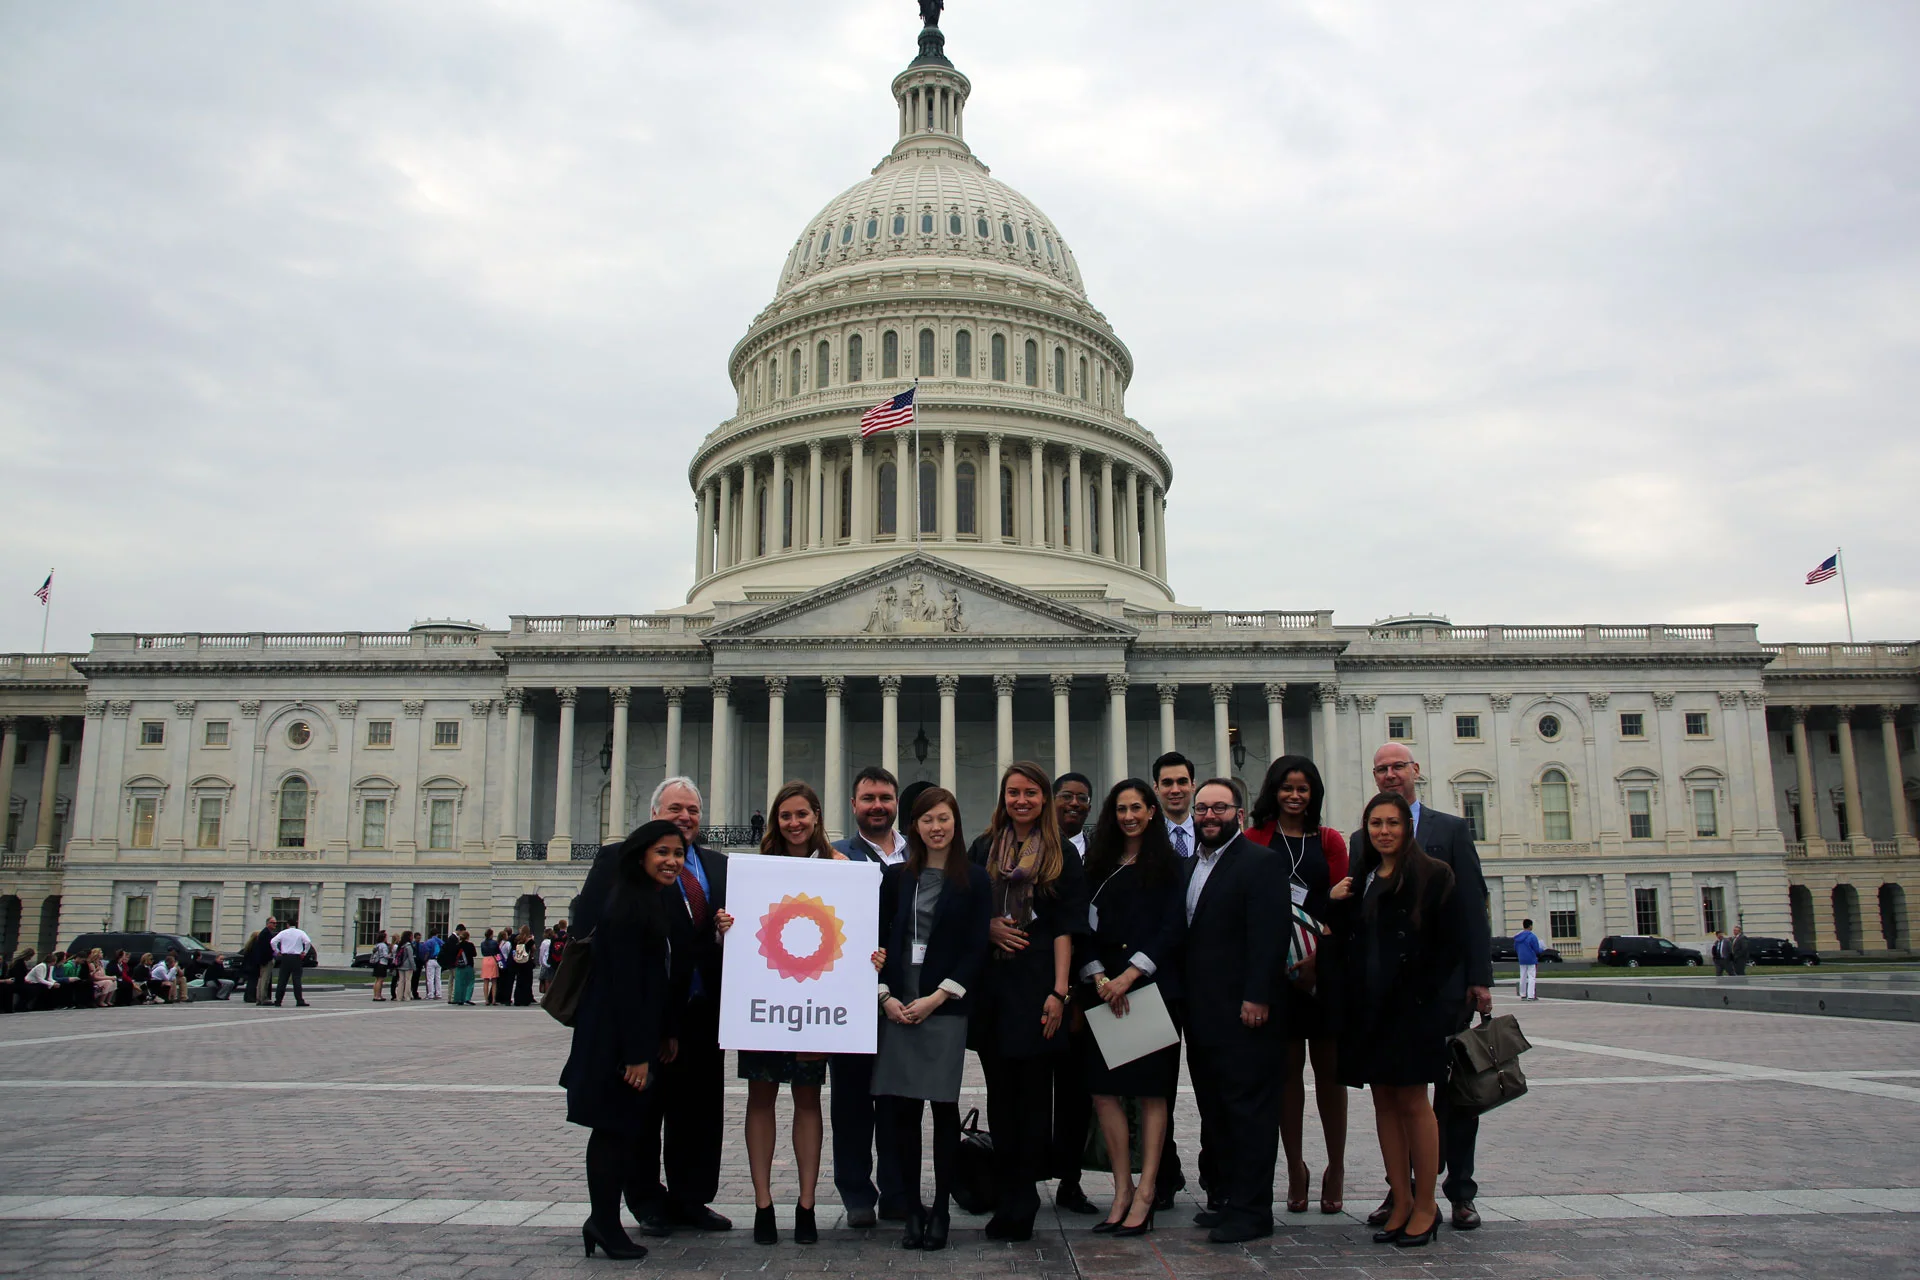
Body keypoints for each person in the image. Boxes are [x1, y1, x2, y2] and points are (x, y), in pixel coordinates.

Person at [1329, 790, 1477, 1250]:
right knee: (1383, 1104)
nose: (1384, 831)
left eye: (1392, 823)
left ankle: (1427, 1205)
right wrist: (1334, 902)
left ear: (1406, 828)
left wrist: (1420, 997)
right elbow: (1347, 940)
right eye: (1376, 824)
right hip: (1368, 1010)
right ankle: (1401, 1200)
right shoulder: (1362, 878)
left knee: (1415, 1104)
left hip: (1412, 1011)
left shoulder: (1434, 875)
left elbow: (1452, 945)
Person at [1362, 743, 1494, 1232]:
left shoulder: (1450, 830)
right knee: (1398, 1097)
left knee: (1453, 1095)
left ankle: (1459, 1191)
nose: (1391, 774)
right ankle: (1406, 1193)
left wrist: (1479, 978)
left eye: (1399, 766)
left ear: (1416, 771)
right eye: (1382, 769)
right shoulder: (1364, 838)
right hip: (1386, 997)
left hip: (1440, 989)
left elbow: (1471, 911)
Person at [967, 760, 1088, 1242]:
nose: (1022, 800)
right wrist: (988, 927)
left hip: (1039, 985)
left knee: (1036, 1099)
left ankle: (1025, 1196)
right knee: (1001, 1096)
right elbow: (968, 907)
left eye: (1031, 793)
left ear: (1044, 800)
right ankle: (1009, 1190)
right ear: (1004, 797)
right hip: (995, 987)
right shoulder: (983, 848)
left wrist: (1060, 992)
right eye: (1014, 792)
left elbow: (1066, 927)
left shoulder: (1062, 856)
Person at [873, 785, 991, 1251]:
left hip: (942, 1010)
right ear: (914, 827)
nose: (936, 827)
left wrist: (937, 998)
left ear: (955, 823)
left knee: (942, 1110)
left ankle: (941, 1207)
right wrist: (885, 997)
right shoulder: (897, 877)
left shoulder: (975, 880)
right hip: (898, 1006)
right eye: (927, 820)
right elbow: (879, 939)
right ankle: (912, 1211)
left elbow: (974, 950)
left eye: (943, 819)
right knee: (901, 1113)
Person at [560, 818, 682, 1262]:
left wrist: (665, 1032)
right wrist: (636, 1055)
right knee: (612, 1132)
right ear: (641, 856)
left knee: (620, 1130)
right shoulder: (628, 905)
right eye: (662, 853)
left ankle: (604, 1222)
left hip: (625, 1035)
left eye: (678, 854)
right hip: (613, 1039)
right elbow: (626, 984)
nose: (672, 862)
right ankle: (604, 1223)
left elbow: (657, 976)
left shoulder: (649, 899)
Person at [731, 780, 846, 1245]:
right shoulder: (755, 874)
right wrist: (728, 926)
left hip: (812, 1005)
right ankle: (762, 1205)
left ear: (817, 816)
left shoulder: (840, 869)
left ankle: (806, 1205)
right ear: (775, 821)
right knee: (759, 1097)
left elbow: (851, 933)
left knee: (807, 1100)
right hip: (766, 1002)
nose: (794, 823)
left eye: (802, 814)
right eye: (786, 816)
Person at [623, 776, 733, 1238]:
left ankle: (692, 1198)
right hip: (653, 1012)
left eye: (691, 809)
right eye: (674, 809)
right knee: (646, 1111)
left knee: (700, 1111)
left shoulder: (719, 866)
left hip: (706, 1010)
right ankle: (647, 1201)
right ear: (654, 814)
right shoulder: (627, 866)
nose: (684, 817)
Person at [1079, 778, 1185, 1235]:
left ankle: (1147, 1191)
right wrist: (1100, 975)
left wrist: (1130, 975)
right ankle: (1121, 1190)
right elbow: (1078, 923)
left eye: (1137, 808)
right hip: (1102, 990)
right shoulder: (1095, 864)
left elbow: (1172, 927)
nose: (1128, 816)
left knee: (1151, 1092)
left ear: (1152, 812)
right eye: (1121, 808)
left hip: (1150, 990)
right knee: (1104, 1093)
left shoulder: (1172, 866)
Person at [1245, 753, 1350, 1216]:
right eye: (1287, 787)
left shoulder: (1328, 840)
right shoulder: (1255, 839)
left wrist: (1316, 958)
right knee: (1287, 1076)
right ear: (1274, 791)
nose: (1294, 795)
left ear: (1313, 794)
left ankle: (1336, 1166)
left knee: (1330, 1076)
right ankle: (1295, 1167)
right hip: (1278, 975)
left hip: (1323, 975)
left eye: (1303, 788)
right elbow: (1251, 905)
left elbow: (1347, 902)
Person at [1182, 778, 1285, 1243]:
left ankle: (1252, 1211)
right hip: (1203, 1014)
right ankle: (1228, 1201)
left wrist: (1258, 995)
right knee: (1218, 1112)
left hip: (1245, 1011)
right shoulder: (1190, 866)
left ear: (1238, 815)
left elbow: (1269, 935)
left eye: (1219, 808)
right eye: (1202, 809)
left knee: (1249, 1113)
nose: (1209, 816)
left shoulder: (1260, 863)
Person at [829, 765, 911, 1227]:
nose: (877, 805)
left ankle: (899, 1191)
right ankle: (857, 1191)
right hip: (852, 996)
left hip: (906, 995)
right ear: (854, 804)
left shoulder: (918, 854)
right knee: (852, 1099)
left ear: (896, 802)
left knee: (900, 1099)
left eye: (884, 797)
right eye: (868, 798)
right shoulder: (836, 856)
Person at [1046, 771, 1097, 1217]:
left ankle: (1070, 1177)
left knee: (1078, 1088)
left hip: (1087, 987)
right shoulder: (1024, 848)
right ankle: (1025, 1169)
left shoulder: (1101, 852)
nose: (1074, 804)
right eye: (1066, 797)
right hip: (1039, 984)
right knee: (1032, 1085)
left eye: (1082, 798)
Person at [1152, 752, 1198, 858]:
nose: (1175, 790)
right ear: (1156, 788)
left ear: (1193, 786)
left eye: (1182, 782)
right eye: (1167, 783)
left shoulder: (1209, 833)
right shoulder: (1146, 836)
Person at [269, 918, 313, 1007]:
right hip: (296, 957)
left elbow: (273, 941)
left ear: (287, 924)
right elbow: (308, 941)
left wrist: (277, 951)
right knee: (296, 980)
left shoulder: (283, 932)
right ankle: (299, 1000)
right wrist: (305, 952)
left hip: (285, 957)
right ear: (296, 924)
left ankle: (278, 1000)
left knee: (282, 980)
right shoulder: (300, 932)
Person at [247, 918, 280, 1003]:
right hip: (266, 960)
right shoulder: (266, 934)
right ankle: (263, 998)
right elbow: (266, 949)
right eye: (273, 923)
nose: (275, 925)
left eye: (276, 923)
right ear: (268, 923)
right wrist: (273, 954)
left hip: (264, 960)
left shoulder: (265, 933)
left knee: (262, 979)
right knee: (265, 980)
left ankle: (260, 998)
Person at [1514, 919, 1545, 1000]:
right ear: (1530, 926)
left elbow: (1515, 948)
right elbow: (1536, 949)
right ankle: (1531, 995)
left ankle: (1523, 994)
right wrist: (1542, 949)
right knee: (1531, 977)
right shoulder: (1532, 936)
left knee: (1522, 976)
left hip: (1522, 958)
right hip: (1531, 958)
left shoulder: (1517, 937)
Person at [446, 926, 477, 1005]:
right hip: (469, 965)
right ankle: (467, 997)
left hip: (459, 966)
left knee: (459, 983)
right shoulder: (470, 945)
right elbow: (474, 954)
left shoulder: (457, 945)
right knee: (470, 982)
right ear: (468, 937)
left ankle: (459, 998)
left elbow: (453, 954)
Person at [393, 931, 416, 1002]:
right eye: (411, 936)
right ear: (409, 937)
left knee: (401, 981)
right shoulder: (408, 945)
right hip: (408, 965)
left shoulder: (401, 945)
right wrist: (414, 966)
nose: (412, 938)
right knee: (408, 980)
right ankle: (407, 996)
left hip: (400, 964)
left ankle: (399, 996)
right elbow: (411, 957)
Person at [369, 931, 392, 1001]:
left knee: (376, 980)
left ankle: (376, 995)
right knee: (380, 980)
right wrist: (390, 955)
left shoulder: (377, 945)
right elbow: (385, 955)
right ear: (383, 938)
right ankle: (378, 996)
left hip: (376, 963)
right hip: (382, 963)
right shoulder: (383, 945)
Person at [420, 930, 443, 1000]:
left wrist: (424, 960)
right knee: (438, 978)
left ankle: (430, 994)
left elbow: (426, 951)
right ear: (437, 934)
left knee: (430, 978)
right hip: (439, 960)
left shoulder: (428, 942)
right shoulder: (440, 941)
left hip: (431, 960)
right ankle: (438, 994)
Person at [479, 928, 500, 1004]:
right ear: (491, 935)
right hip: (492, 959)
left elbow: (482, 952)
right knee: (494, 981)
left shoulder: (482, 943)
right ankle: (494, 999)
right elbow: (498, 953)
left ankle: (486, 1000)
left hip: (485, 960)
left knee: (486, 981)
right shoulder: (494, 943)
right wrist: (499, 961)